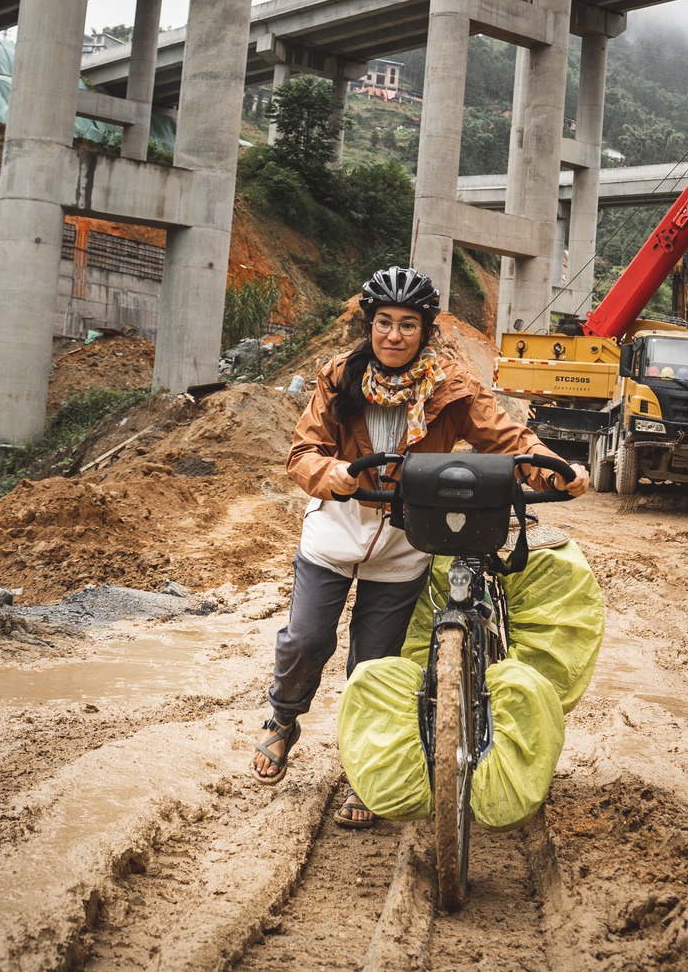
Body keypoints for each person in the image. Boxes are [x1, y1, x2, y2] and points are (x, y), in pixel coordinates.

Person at [252, 265, 588, 826]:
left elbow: (508, 438)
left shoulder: (452, 386)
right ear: (370, 324)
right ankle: (283, 719)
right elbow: (301, 453)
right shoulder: (339, 378)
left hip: (407, 539)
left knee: (375, 666)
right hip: (337, 529)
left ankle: (365, 775)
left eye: (408, 325)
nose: (394, 335)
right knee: (307, 641)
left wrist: (557, 471)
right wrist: (327, 472)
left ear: (425, 330)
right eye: (384, 322)